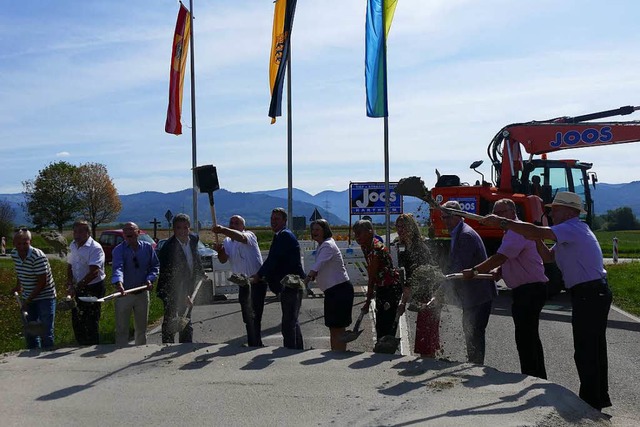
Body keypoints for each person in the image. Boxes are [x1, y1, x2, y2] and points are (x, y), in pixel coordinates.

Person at [480, 192, 612, 410]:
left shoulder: (571, 227)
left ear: (570, 212)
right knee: (591, 347)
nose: (550, 213)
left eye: (555, 209)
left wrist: (507, 223)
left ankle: (591, 400)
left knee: (587, 348)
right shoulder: (571, 232)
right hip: (589, 293)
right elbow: (548, 257)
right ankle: (596, 397)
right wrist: (535, 237)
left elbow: (538, 231)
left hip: (590, 293)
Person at [462, 199, 548, 379]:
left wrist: (476, 270)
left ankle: (533, 378)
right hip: (526, 289)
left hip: (529, 289)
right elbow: (510, 259)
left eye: (501, 213)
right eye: (495, 213)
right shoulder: (512, 232)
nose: (498, 217)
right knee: (526, 336)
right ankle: (534, 376)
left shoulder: (517, 232)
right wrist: (500, 272)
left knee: (526, 337)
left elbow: (501, 256)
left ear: (512, 212)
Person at [441, 201, 497, 364]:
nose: (445, 221)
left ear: (459, 216)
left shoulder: (465, 235)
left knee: (474, 332)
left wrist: (442, 285)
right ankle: (473, 363)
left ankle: (476, 366)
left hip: (478, 295)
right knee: (470, 331)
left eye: (448, 217)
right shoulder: (457, 233)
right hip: (471, 295)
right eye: (443, 217)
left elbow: (459, 266)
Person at [252, 207, 306, 350]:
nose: (273, 222)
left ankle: (290, 352)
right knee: (292, 320)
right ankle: (298, 350)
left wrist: (259, 275)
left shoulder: (284, 236)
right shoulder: (280, 235)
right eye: (272, 219)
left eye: (277, 219)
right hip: (290, 284)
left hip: (291, 285)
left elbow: (273, 260)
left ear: (284, 221)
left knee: (288, 324)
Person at [213, 215, 265, 347]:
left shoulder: (249, 235)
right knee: (247, 316)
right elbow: (224, 259)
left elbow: (241, 238)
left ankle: (255, 343)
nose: (233, 225)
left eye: (237, 223)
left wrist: (223, 229)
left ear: (243, 226)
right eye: (231, 223)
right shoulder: (228, 241)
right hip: (243, 283)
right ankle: (253, 342)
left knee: (255, 315)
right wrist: (220, 251)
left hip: (256, 281)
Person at [395, 213, 442, 358]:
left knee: (426, 338)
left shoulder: (418, 248)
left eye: (404, 227)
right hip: (421, 294)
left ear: (411, 228)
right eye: (398, 227)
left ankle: (428, 366)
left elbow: (414, 277)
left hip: (430, 295)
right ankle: (428, 363)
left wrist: (403, 302)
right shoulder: (403, 247)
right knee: (424, 336)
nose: (400, 230)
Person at [304, 219, 354, 352]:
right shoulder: (323, 245)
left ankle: (338, 354)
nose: (314, 232)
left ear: (325, 231)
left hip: (339, 290)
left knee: (337, 327)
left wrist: (307, 278)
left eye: (317, 230)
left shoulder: (327, 245)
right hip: (333, 291)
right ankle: (336, 353)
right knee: (334, 327)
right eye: (313, 230)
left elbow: (318, 264)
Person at [157, 213, 207, 343]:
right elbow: (171, 276)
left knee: (186, 319)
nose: (183, 231)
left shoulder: (194, 239)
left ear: (189, 228)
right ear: (174, 229)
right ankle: (167, 347)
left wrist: (201, 272)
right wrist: (183, 296)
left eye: (185, 227)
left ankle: (186, 347)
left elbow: (195, 258)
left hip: (188, 286)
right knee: (171, 320)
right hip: (170, 289)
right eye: (179, 228)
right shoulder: (168, 248)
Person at [353, 219, 403, 350]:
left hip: (391, 287)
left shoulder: (376, 249)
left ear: (370, 232)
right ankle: (383, 347)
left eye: (359, 233)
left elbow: (372, 275)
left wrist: (368, 299)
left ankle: (387, 348)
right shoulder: (365, 246)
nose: (357, 237)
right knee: (380, 319)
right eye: (355, 234)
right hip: (381, 285)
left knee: (386, 320)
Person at [111, 222, 159, 346]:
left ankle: (140, 352)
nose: (128, 232)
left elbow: (155, 266)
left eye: (131, 230)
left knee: (141, 329)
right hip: (124, 294)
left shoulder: (147, 248)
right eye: (125, 230)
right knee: (121, 329)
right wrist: (118, 282)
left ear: (138, 232)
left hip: (142, 294)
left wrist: (150, 279)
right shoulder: (118, 250)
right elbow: (118, 267)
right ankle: (119, 354)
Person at [10, 229, 57, 350]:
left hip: (45, 296)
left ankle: (48, 356)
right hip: (28, 296)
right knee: (30, 330)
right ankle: (32, 359)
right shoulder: (14, 254)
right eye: (18, 243)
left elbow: (42, 282)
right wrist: (18, 286)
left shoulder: (37, 256)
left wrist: (27, 301)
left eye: (25, 243)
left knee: (45, 331)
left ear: (30, 241)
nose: (22, 246)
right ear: (14, 243)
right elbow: (21, 271)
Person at [67, 220, 106, 345]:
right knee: (77, 318)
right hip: (78, 285)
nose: (77, 234)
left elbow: (94, 272)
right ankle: (81, 343)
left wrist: (77, 287)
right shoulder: (72, 245)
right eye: (75, 231)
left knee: (91, 318)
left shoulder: (95, 248)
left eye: (80, 231)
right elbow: (69, 265)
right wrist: (70, 284)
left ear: (88, 233)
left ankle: (92, 345)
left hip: (93, 286)